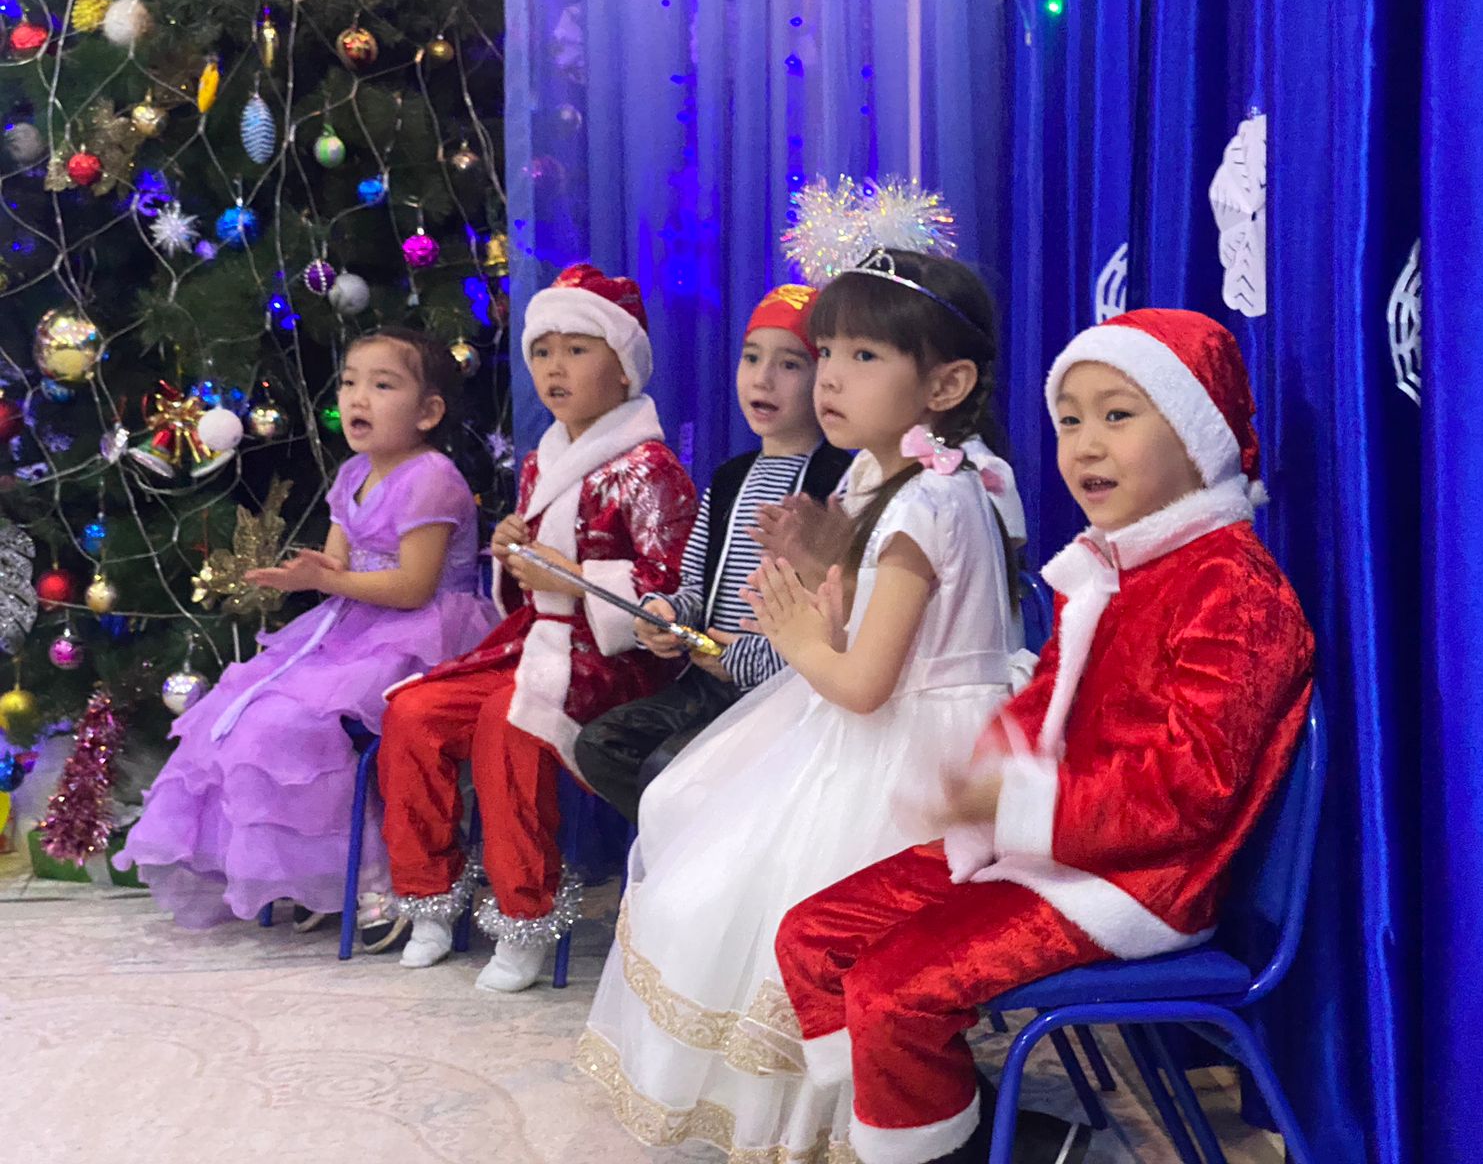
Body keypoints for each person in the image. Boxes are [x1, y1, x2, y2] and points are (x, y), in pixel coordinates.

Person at [775, 308, 1317, 1164]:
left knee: (891, 989)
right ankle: (945, 1129)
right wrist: (987, 779)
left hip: (1142, 880)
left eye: (1117, 415)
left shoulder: (1234, 590)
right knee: (814, 934)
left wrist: (1022, 800)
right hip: (1051, 844)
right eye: (1068, 421)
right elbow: (1042, 707)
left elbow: (1187, 792)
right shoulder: (1108, 566)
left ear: (1196, 432)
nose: (1085, 445)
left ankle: (939, 1145)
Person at [579, 249, 1018, 1163]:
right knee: (692, 841)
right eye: (829, 353)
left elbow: (862, 682)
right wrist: (822, 570)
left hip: (914, 760)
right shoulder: (878, 480)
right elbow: (858, 623)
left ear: (947, 384)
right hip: (871, 731)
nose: (831, 379)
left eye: (865, 357)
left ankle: (880, 1123)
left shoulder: (932, 501)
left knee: (745, 899)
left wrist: (792, 631)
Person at [377, 264, 697, 993]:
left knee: (510, 722)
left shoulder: (650, 468)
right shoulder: (540, 459)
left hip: (616, 661)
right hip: (537, 640)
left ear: (625, 368)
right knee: (414, 713)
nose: (555, 368)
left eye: (578, 350)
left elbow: (669, 591)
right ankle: (430, 897)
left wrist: (573, 579)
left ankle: (526, 914)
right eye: (543, 351)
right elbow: (530, 583)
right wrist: (510, 555)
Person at [116, 328, 494, 943]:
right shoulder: (352, 474)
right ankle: (317, 872)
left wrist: (329, 580)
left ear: (428, 411)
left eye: (382, 385)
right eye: (349, 383)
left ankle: (379, 876)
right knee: (243, 714)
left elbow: (413, 587)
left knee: (302, 725)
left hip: (424, 635)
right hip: (352, 625)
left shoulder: (432, 477)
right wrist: (310, 576)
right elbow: (338, 567)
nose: (357, 398)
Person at [573, 283, 851, 822]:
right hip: (707, 680)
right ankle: (689, 847)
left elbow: (841, 615)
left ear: (825, 378)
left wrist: (743, 660)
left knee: (672, 769)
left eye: (789, 364)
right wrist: (664, 614)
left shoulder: (838, 483)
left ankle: (719, 852)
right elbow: (696, 588)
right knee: (602, 746)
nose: (763, 379)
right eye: (752, 358)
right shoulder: (728, 479)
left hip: (785, 689)